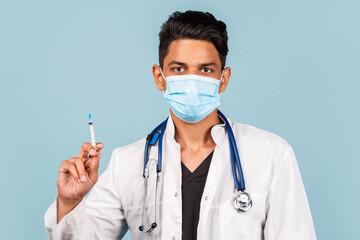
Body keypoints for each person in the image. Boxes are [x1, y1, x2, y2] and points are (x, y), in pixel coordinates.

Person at [44, 10, 316, 240]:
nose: (192, 79)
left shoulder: (271, 155)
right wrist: (69, 202)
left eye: (206, 70)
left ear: (223, 78)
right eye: (179, 69)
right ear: (159, 77)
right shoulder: (127, 163)